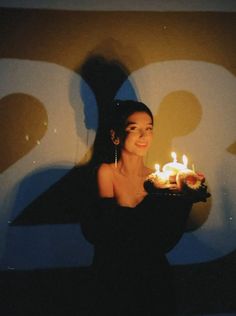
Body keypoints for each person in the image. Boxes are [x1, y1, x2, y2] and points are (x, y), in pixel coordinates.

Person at [80, 100, 207, 315]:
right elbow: (108, 229)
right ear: (115, 135)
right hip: (113, 277)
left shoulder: (161, 179)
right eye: (134, 128)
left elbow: (165, 241)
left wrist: (184, 200)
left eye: (148, 128)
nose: (143, 135)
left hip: (153, 278)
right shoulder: (106, 172)